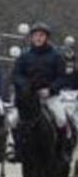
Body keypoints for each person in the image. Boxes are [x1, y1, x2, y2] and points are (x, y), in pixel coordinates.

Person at [12, 22, 72, 158]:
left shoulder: (56, 56)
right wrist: (26, 87)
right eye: (35, 35)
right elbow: (16, 75)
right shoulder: (24, 56)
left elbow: (62, 78)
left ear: (46, 38)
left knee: (61, 118)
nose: (38, 38)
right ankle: (17, 149)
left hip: (49, 97)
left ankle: (61, 151)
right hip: (29, 97)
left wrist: (50, 89)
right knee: (14, 120)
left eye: (41, 35)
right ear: (31, 38)